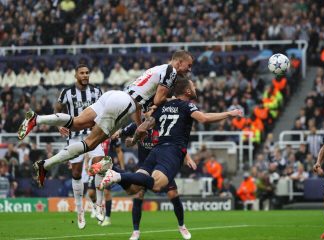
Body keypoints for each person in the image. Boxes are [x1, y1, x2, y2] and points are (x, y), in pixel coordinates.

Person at [17, 50, 193, 189]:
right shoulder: (171, 71)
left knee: (77, 122)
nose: (189, 69)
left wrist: (140, 126)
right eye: (188, 65)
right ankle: (45, 165)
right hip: (124, 104)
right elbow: (157, 100)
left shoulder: (156, 68)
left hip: (115, 95)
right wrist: (175, 100)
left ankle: (37, 119)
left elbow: (140, 104)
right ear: (178, 62)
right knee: (90, 144)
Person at [99, 77, 242, 237]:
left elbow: (144, 126)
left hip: (156, 151)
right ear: (187, 91)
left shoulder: (163, 107)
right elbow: (204, 118)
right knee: (157, 186)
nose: (195, 88)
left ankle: (114, 171)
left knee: (134, 188)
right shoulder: (187, 105)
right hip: (171, 152)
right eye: (193, 86)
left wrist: (133, 139)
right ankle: (117, 176)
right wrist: (229, 113)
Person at [92, 121, 194, 239]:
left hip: (162, 167)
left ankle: (181, 226)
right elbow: (121, 132)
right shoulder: (138, 125)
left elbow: (177, 144)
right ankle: (136, 232)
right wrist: (115, 134)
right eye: (146, 109)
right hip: (145, 166)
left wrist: (187, 157)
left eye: (150, 109)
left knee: (173, 194)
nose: (147, 111)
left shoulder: (163, 124)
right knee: (135, 193)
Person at [55, 64, 105, 229]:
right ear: (76, 75)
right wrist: (58, 125)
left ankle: (99, 204)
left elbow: (105, 110)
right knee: (76, 173)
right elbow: (58, 108)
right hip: (75, 136)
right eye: (82, 73)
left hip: (94, 134)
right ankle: (80, 211)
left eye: (87, 73)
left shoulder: (97, 91)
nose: (85, 75)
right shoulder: (66, 92)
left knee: (99, 165)